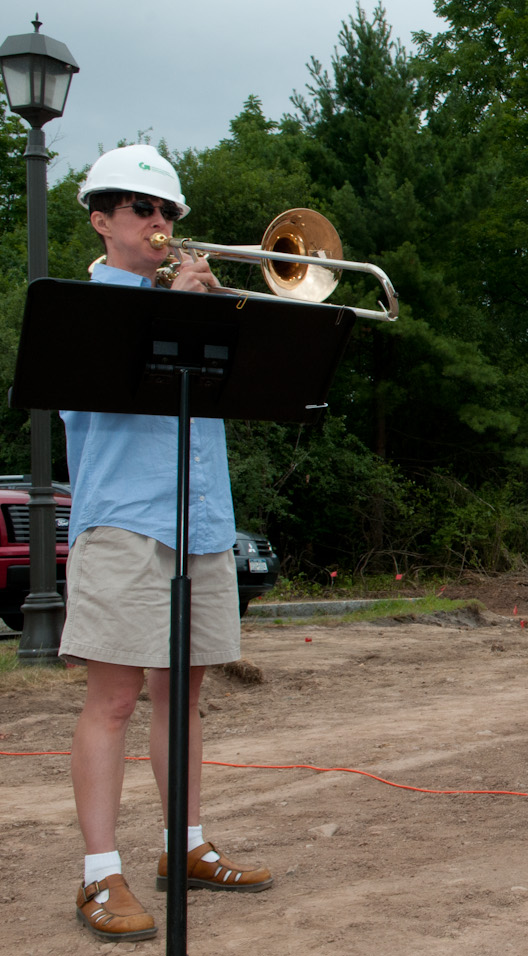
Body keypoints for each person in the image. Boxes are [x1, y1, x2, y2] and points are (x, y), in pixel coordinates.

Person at [62, 144, 272, 943]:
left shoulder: (190, 297)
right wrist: (176, 312)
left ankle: (182, 846)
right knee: (112, 699)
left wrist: (216, 318)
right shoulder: (86, 307)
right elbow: (102, 396)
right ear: (102, 219)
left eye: (168, 212)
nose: (159, 223)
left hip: (203, 519)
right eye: (142, 209)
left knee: (183, 696)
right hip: (125, 518)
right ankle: (99, 873)